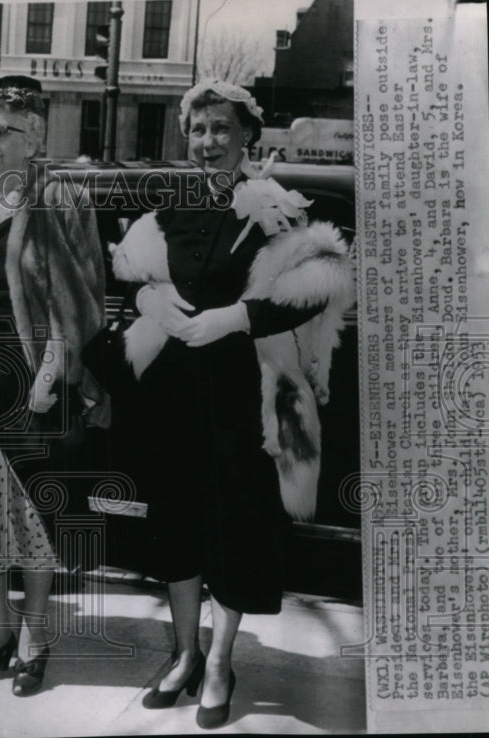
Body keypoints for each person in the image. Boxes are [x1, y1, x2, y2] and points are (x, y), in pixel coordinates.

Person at [111, 79, 354, 729]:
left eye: (221, 128)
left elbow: (319, 285)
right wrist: (146, 301)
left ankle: (220, 660)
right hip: (174, 396)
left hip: (244, 402)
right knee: (176, 527)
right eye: (198, 129)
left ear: (248, 134)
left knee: (234, 531)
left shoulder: (276, 206)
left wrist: (238, 317)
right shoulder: (173, 207)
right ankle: (185, 653)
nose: (208, 141)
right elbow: (135, 275)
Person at [0, 85, 106, 696]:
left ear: (35, 138)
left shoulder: (60, 196)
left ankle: (35, 635)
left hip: (34, 374)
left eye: (3, 131)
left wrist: (54, 368)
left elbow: (85, 296)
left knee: (32, 509)